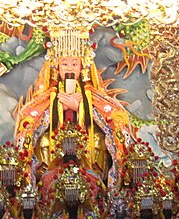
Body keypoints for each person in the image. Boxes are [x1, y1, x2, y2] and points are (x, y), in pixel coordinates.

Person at [15, 28, 135, 191]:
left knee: (109, 128)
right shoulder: (49, 95)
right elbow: (28, 118)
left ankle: (115, 186)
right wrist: (57, 107)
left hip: (89, 157)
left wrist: (82, 107)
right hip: (52, 158)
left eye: (74, 64)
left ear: (82, 67)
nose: (69, 68)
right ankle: (29, 186)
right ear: (57, 67)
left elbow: (115, 116)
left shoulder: (91, 95)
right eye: (64, 64)